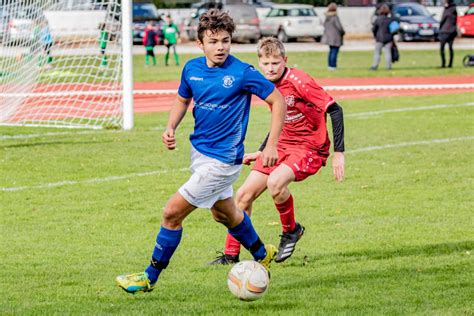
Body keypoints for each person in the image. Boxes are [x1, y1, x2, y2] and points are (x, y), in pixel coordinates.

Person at [116, 9, 287, 294]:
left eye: (225, 41)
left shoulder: (242, 72)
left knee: (171, 214)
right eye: (213, 41)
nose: (220, 47)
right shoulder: (192, 69)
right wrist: (171, 127)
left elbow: (278, 100)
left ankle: (149, 277)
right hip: (199, 155)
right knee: (225, 214)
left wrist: (271, 146)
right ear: (200, 44)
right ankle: (261, 253)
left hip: (222, 162)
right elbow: (182, 100)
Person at [209, 37, 345, 266]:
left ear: (285, 60)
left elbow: (335, 109)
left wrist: (339, 153)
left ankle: (291, 230)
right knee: (242, 195)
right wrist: (262, 151)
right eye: (266, 64)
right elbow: (279, 121)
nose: (271, 69)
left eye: (276, 63)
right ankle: (230, 255)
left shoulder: (299, 80)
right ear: (260, 63)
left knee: (275, 183)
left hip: (309, 147)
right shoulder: (266, 84)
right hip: (281, 145)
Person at [370, 4, 394, 70]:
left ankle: (374, 66)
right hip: (388, 38)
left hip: (379, 38)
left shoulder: (378, 20)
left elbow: (374, 29)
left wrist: (375, 36)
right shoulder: (390, 20)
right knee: (388, 53)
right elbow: (394, 29)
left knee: (377, 53)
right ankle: (388, 66)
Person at [321, 3, 345, 70]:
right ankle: (333, 66)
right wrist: (343, 32)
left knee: (331, 51)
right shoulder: (335, 17)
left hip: (329, 37)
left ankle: (330, 65)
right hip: (336, 37)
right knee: (334, 52)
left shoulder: (327, 17)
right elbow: (339, 27)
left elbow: (325, 26)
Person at [439, 0, 458, 68]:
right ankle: (450, 64)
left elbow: (443, 20)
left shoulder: (447, 10)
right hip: (452, 31)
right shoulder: (454, 9)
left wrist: (440, 28)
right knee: (450, 48)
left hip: (445, 31)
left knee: (442, 48)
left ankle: (443, 64)